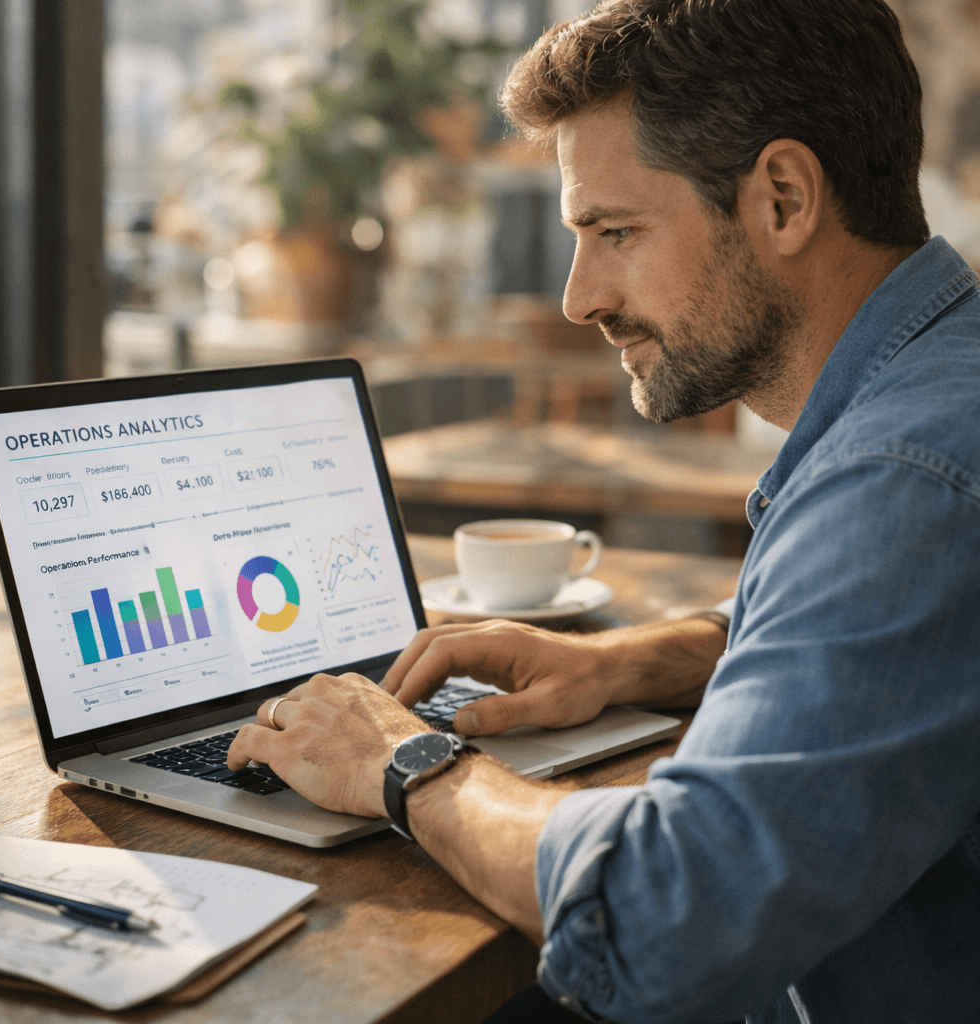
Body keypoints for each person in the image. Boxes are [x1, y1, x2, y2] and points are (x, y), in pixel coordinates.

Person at [228, 1, 980, 1020]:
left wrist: (402, 759)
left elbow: (667, 918)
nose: (580, 297)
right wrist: (640, 658)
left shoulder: (903, 478)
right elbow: (910, 625)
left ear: (784, 199)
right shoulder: (938, 393)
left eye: (615, 231)